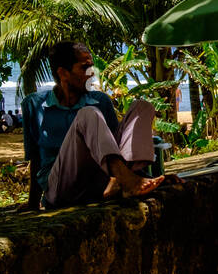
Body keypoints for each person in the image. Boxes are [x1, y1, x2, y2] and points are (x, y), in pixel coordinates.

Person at [22, 41, 166, 210]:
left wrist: (150, 179)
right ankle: (126, 180)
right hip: (61, 188)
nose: (91, 73)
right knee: (89, 114)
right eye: (84, 68)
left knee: (142, 107)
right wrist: (33, 203)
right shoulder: (34, 105)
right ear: (63, 73)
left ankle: (129, 181)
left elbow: (115, 151)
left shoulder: (101, 101)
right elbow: (35, 159)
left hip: (98, 184)